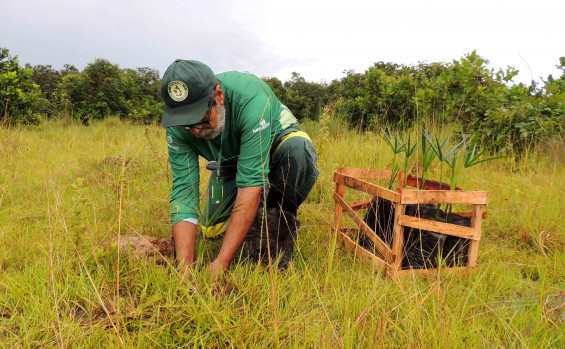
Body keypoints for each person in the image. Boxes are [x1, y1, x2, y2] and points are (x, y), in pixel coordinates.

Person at [160, 59, 320, 276]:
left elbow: (250, 184)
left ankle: (277, 223)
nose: (195, 131)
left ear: (219, 96)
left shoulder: (252, 98)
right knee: (212, 229)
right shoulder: (178, 128)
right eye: (186, 124)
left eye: (200, 119)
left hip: (276, 144)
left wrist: (220, 264)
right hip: (231, 161)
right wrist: (185, 268)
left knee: (297, 151)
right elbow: (184, 193)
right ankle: (248, 215)